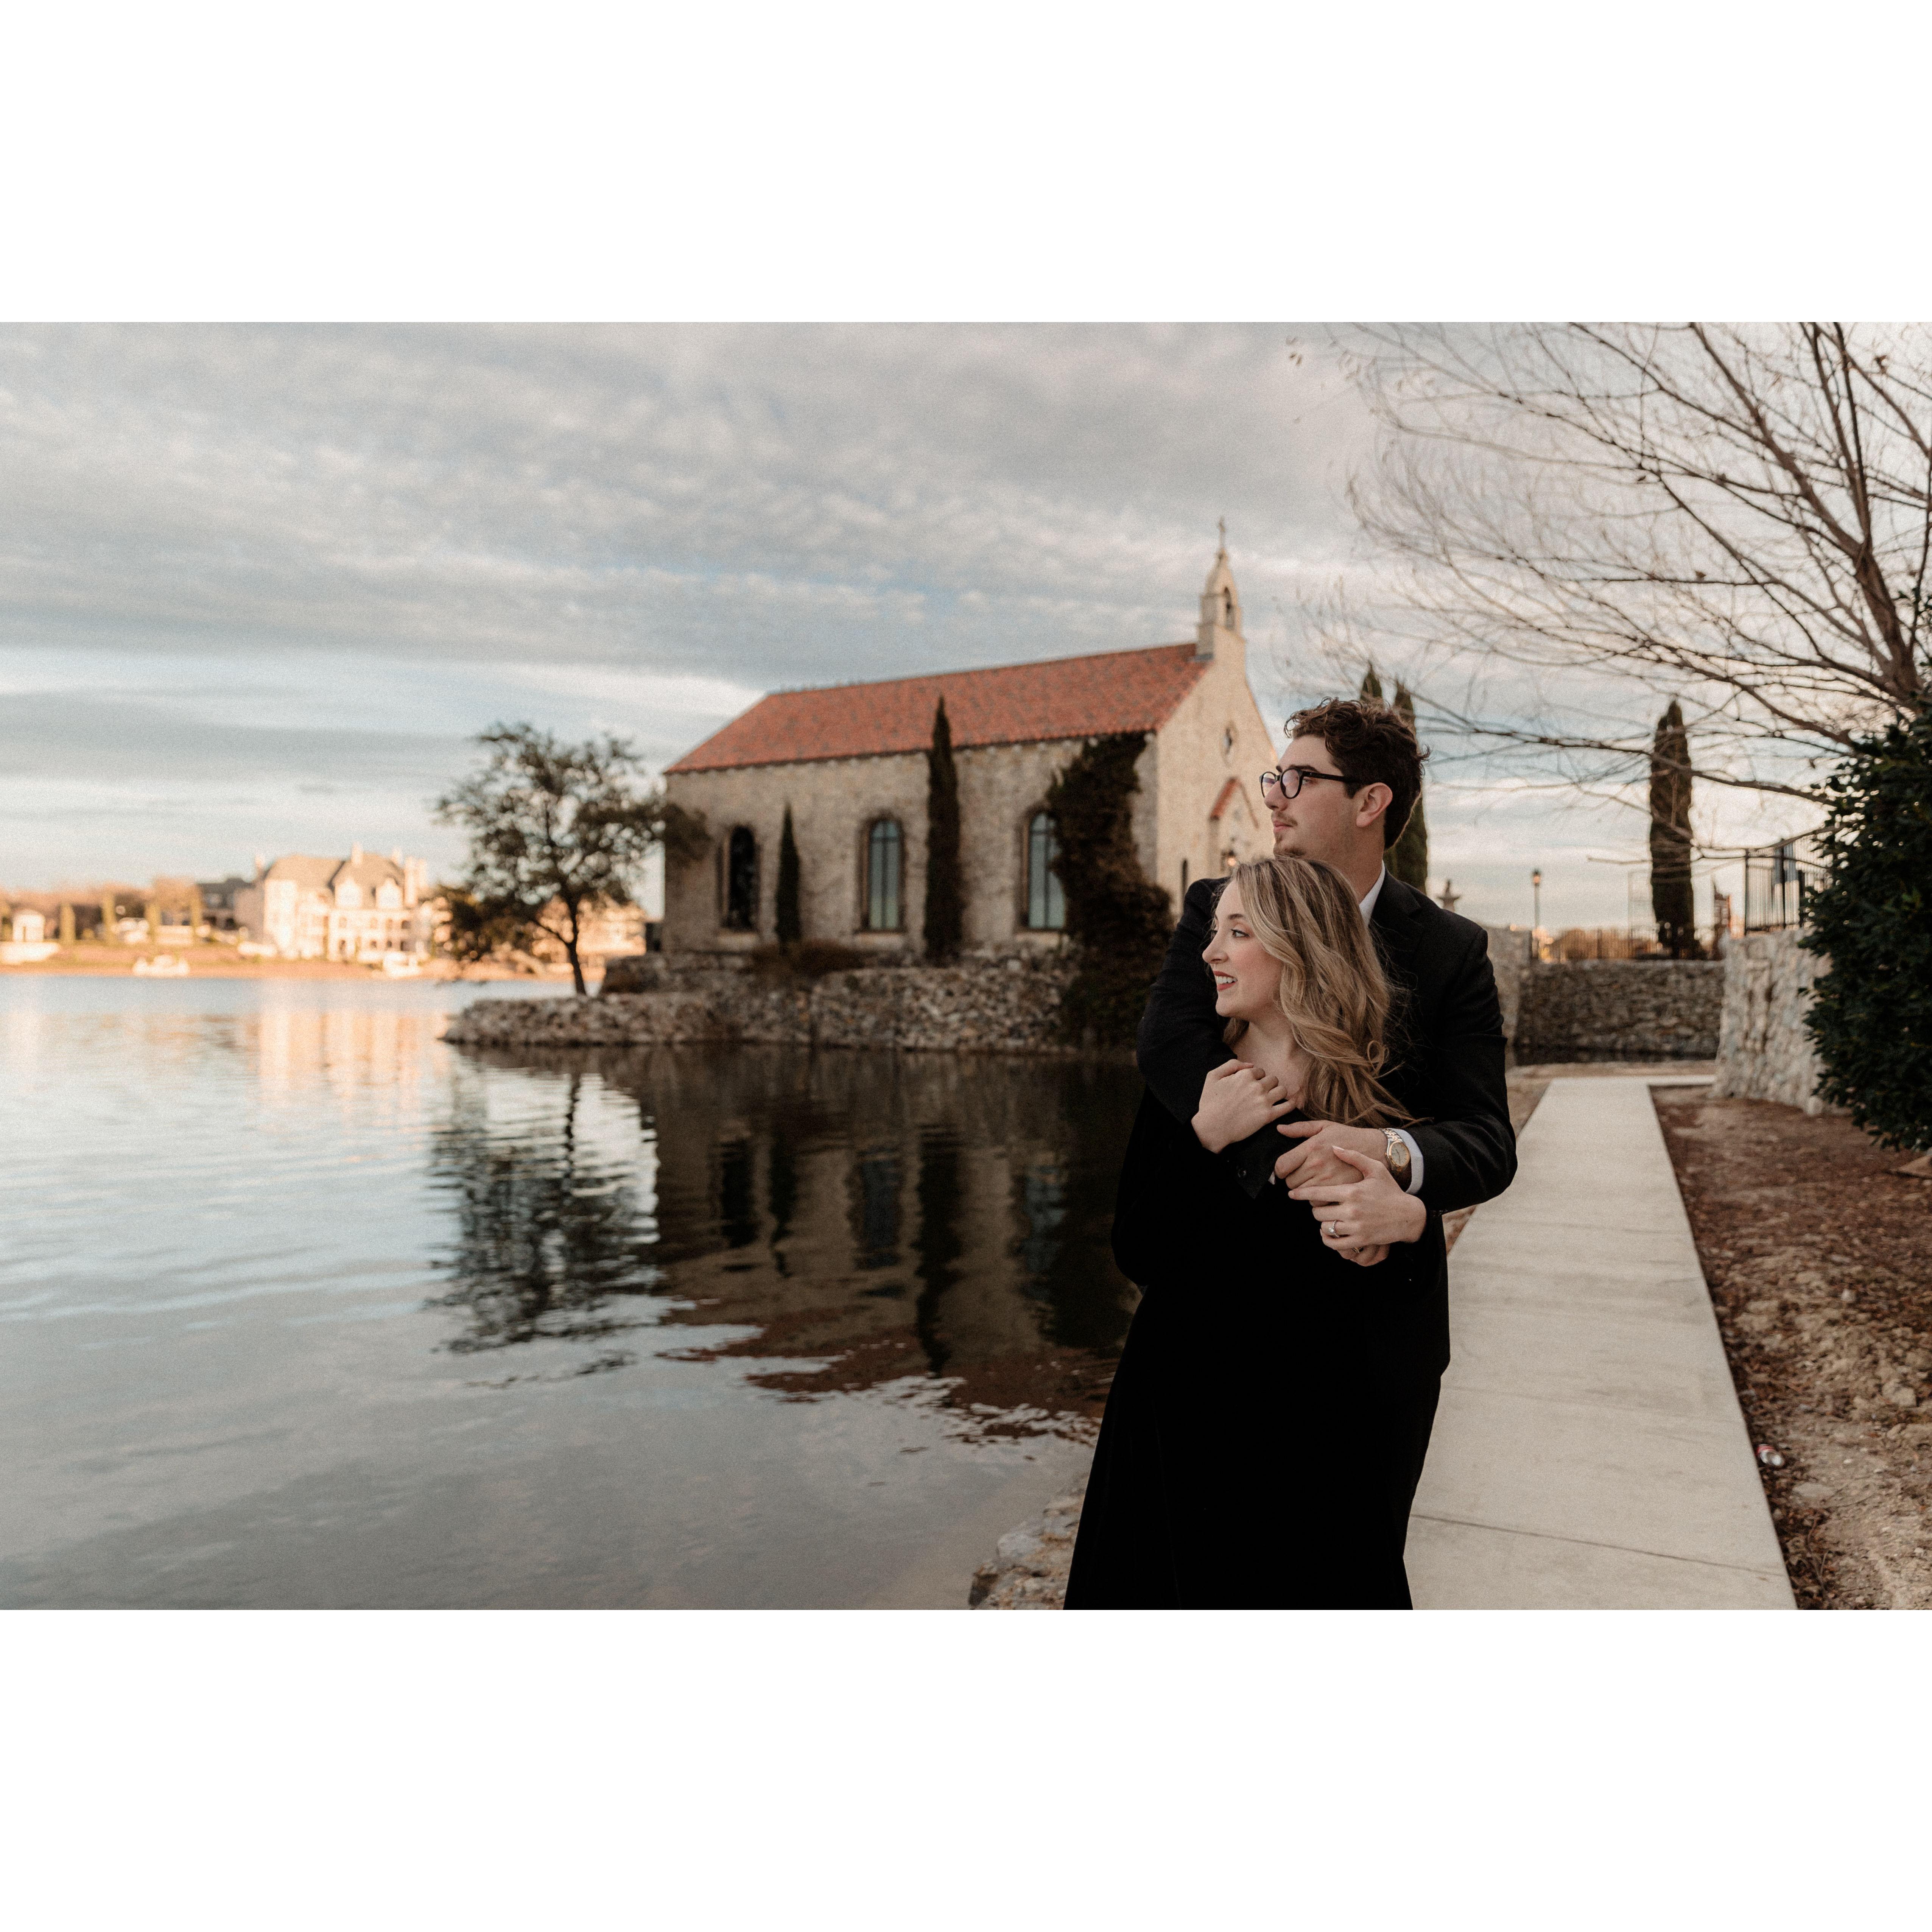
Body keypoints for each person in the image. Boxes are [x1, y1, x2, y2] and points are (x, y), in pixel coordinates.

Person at [1065, 696, 1514, 1609]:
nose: (1273, 795)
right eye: (1275, 776)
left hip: (1369, 1344)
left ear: (1372, 801)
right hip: (1211, 1349)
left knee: (1342, 1572)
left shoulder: (1449, 951)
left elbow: (1485, 1138)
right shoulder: (1214, 926)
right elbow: (1168, 1049)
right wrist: (1274, 1152)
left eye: (1299, 779)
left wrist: (1392, 1170)